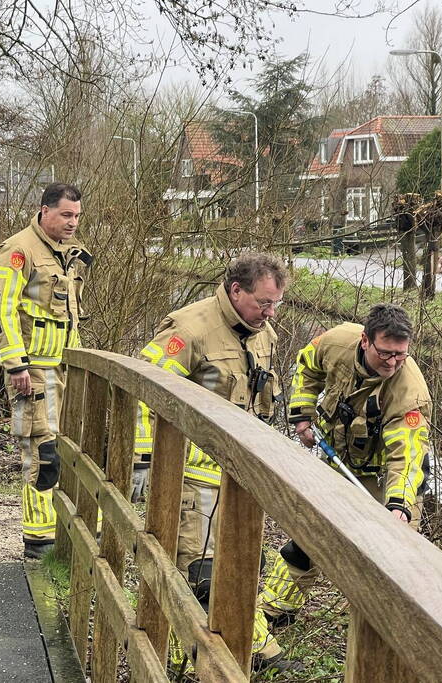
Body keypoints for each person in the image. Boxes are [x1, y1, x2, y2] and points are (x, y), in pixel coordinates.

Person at [133, 252, 301, 674]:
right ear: (235, 290)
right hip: (191, 478)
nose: (270, 312)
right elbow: (142, 388)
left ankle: (228, 653)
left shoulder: (264, 334)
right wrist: (142, 456)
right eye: (263, 302)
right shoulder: (190, 330)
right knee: (198, 575)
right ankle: (216, 660)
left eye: (276, 303)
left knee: (242, 564)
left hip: (242, 475)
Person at [258, 303, 432, 643]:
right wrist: (302, 413)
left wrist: (398, 505)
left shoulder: (409, 391)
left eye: (401, 355)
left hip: (386, 477)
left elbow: (406, 458)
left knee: (392, 560)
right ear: (365, 341)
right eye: (386, 353)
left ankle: (387, 639)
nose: (393, 362)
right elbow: (307, 368)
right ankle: (276, 609)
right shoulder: (335, 342)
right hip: (339, 460)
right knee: (308, 535)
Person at [0, 183, 91, 560]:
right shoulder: (19, 250)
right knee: (42, 453)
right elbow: (1, 308)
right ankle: (39, 541)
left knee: (64, 450)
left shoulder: (65, 254)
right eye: (66, 215)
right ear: (44, 210)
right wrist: (15, 364)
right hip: (33, 371)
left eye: (77, 216)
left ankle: (58, 533)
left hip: (65, 369)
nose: (73, 222)